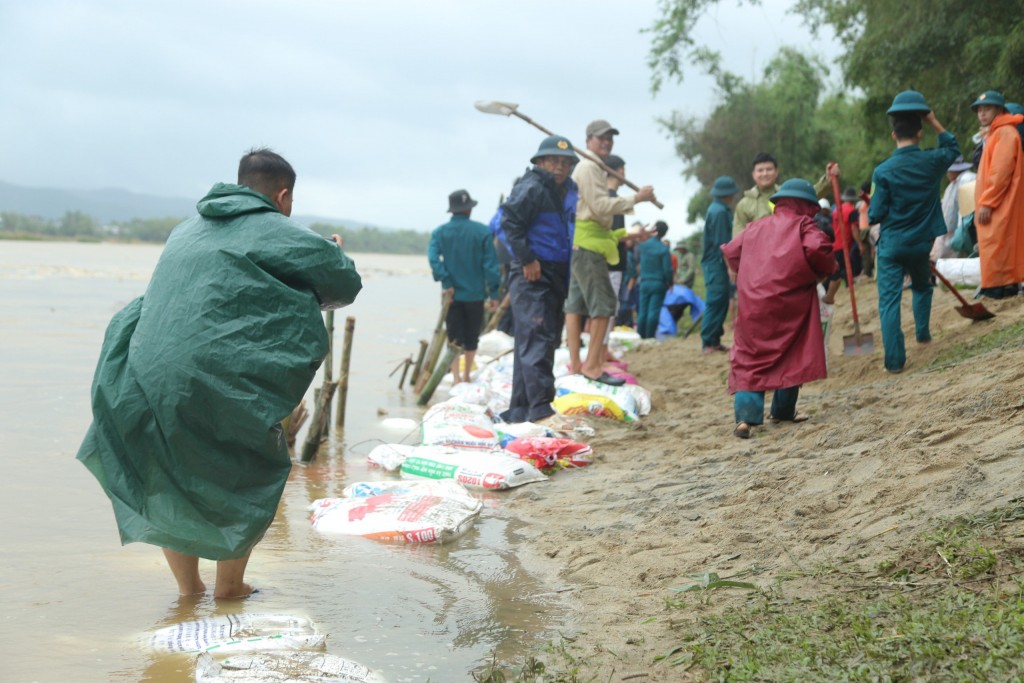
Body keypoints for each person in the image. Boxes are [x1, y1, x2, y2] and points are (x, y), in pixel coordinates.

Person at [76, 148, 363, 598]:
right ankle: (230, 588)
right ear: (283, 195)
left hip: (145, 377)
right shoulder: (283, 231)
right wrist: (332, 253)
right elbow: (344, 285)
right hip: (218, 382)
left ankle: (189, 592)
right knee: (247, 470)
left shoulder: (184, 231)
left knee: (169, 476)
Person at [723, 179, 837, 439]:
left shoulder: (755, 227)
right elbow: (819, 249)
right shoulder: (804, 225)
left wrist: (749, 273)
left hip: (753, 302)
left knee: (750, 356)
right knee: (793, 351)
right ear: (807, 206)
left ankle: (745, 420)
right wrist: (821, 272)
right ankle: (783, 411)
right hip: (791, 302)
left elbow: (731, 252)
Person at [869, 90, 960, 373]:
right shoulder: (932, 162)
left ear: (893, 135)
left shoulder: (882, 171)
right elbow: (954, 149)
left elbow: (875, 214)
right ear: (920, 133)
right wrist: (934, 121)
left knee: (889, 302)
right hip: (921, 244)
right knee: (922, 286)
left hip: (892, 246)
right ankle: (923, 334)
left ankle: (895, 363)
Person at [495, 134, 578, 429]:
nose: (560, 166)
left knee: (535, 339)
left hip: (556, 270)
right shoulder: (531, 187)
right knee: (537, 336)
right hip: (532, 271)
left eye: (566, 162)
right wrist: (527, 259)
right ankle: (542, 408)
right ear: (540, 162)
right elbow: (509, 221)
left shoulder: (569, 189)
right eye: (554, 160)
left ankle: (521, 409)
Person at [566, 119, 657, 385]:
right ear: (588, 140)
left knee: (575, 305)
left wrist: (629, 233)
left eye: (610, 138)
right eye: (601, 138)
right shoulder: (589, 167)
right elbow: (600, 206)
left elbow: (598, 216)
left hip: (584, 241)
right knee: (604, 305)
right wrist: (636, 198)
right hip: (588, 246)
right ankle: (592, 366)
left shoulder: (592, 166)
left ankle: (577, 364)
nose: (606, 142)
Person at [428, 189, 501, 383]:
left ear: (452, 210)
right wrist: (494, 293)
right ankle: (467, 375)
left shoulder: (440, 232)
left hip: (450, 295)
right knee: (471, 337)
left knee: (454, 337)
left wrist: (446, 281)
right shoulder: (482, 232)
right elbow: (490, 266)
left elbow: (433, 258)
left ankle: (456, 377)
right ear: (469, 209)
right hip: (475, 295)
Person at [972, 90, 1024, 299]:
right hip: (998, 203)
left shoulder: (1004, 132)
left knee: (995, 243)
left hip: (999, 203)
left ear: (1000, 110)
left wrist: (987, 202)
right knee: (1000, 244)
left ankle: (997, 288)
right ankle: (1005, 287)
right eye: (979, 110)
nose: (982, 114)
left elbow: (1000, 172)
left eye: (987, 109)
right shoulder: (997, 132)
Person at [732, 152, 838, 234]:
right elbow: (738, 239)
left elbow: (809, 195)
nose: (765, 174)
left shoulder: (787, 194)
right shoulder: (744, 204)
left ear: (776, 172)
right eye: (760, 170)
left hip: (789, 253)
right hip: (759, 258)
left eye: (769, 169)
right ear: (753, 174)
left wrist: (827, 180)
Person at [700, 175, 741, 353]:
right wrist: (730, 266)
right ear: (729, 194)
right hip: (716, 263)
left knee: (722, 301)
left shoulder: (718, 209)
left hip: (717, 263)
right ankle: (707, 342)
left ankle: (715, 339)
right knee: (715, 301)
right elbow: (723, 243)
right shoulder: (719, 212)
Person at [822, 187, 863, 305]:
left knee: (840, 269)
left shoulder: (836, 210)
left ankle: (848, 284)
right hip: (843, 244)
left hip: (834, 243)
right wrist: (859, 243)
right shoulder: (852, 211)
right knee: (837, 272)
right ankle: (825, 291)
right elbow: (854, 228)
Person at [931, 157, 975, 262]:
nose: (947, 173)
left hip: (965, 227)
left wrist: (961, 234)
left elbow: (965, 211)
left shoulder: (967, 179)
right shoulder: (952, 186)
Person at [634, 220, 674, 339]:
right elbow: (667, 269)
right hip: (658, 283)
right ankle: (650, 337)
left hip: (644, 282)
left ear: (654, 229)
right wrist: (670, 283)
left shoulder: (643, 246)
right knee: (654, 311)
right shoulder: (663, 248)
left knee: (642, 311)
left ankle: (640, 336)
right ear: (665, 233)